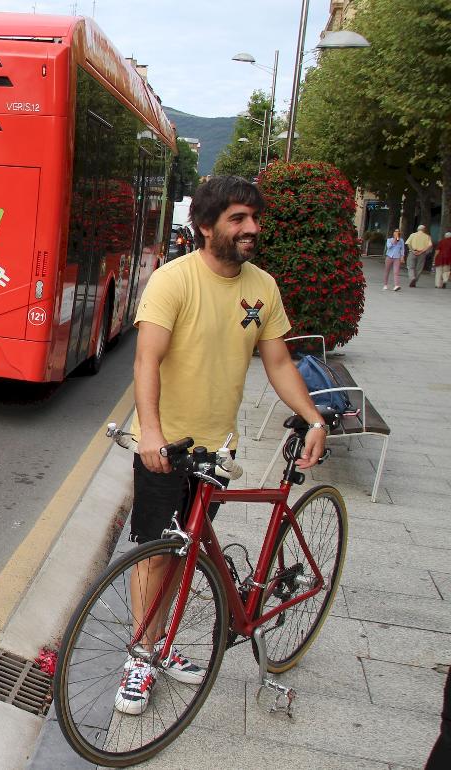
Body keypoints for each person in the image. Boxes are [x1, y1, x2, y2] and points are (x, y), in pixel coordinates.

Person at [117, 175, 327, 716]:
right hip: (167, 445)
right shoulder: (173, 281)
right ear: (206, 225)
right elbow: (147, 361)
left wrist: (312, 417)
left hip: (218, 448)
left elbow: (278, 361)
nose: (251, 228)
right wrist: (153, 432)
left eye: (254, 218)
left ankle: (163, 648)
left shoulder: (263, 287)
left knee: (187, 550)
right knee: (156, 554)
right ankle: (142, 655)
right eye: (237, 219)